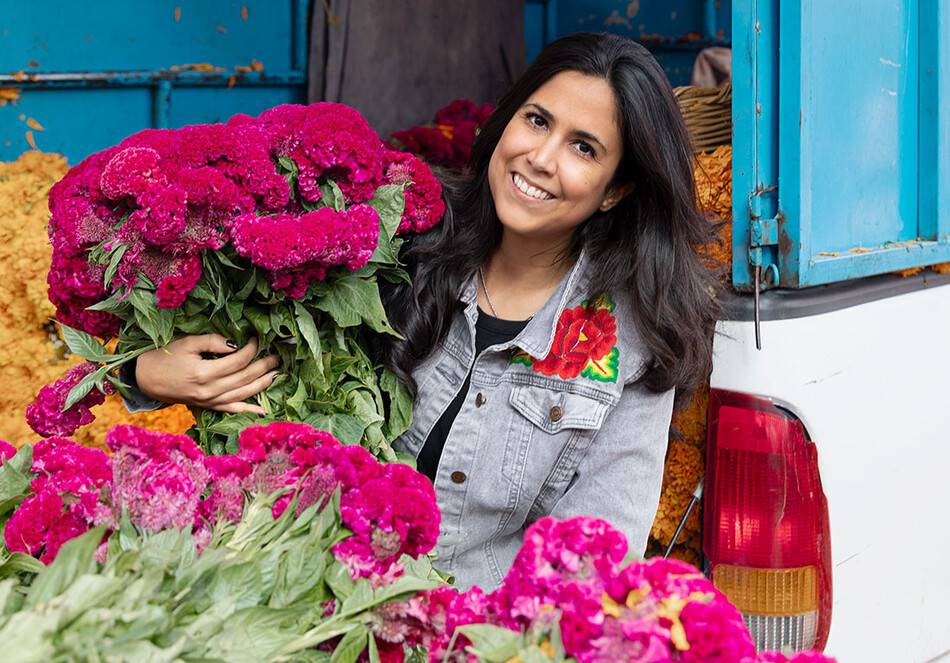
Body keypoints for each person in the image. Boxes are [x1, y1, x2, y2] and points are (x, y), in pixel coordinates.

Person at [129, 32, 721, 591]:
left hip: (483, 630)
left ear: (615, 189)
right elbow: (266, 372)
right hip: (303, 592)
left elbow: (598, 554)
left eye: (583, 148)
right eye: (537, 121)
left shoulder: (630, 338)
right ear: (506, 119)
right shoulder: (397, 242)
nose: (541, 157)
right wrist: (145, 376)